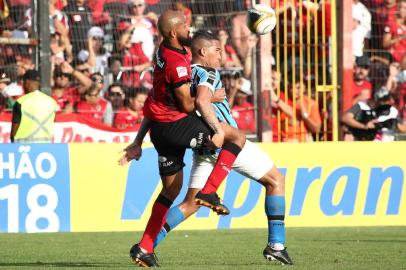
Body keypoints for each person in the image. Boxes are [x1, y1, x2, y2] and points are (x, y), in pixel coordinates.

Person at [151, 30, 293, 265]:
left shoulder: (186, 76)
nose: (220, 55)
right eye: (217, 50)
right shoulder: (207, 72)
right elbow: (202, 100)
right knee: (276, 180)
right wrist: (217, 127)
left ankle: (148, 244)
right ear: (203, 51)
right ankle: (276, 245)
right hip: (225, 142)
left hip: (202, 145)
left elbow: (186, 102)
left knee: (190, 204)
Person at [118, 11, 245, 267]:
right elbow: (189, 105)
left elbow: (153, 103)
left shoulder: (162, 51)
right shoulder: (176, 62)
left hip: (158, 131)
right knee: (235, 136)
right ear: (174, 32)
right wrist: (214, 99)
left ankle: (144, 247)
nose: (189, 29)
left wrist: (137, 141)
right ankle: (209, 192)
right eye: (185, 26)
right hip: (176, 126)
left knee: (171, 189)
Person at [10, 70, 58, 143]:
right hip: (46, 146)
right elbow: (53, 123)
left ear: (27, 81)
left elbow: (14, 133)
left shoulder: (21, 102)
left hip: (24, 147)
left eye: (23, 82)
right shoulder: (52, 102)